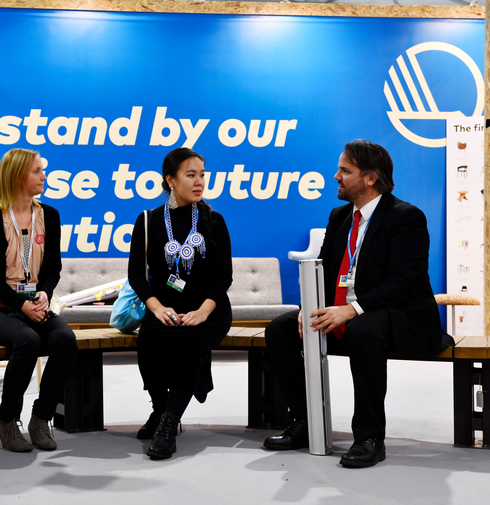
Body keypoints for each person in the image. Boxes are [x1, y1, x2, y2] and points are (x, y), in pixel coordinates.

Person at [262, 139, 454, 468]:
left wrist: (351, 309)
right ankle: (307, 422)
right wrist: (308, 307)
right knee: (281, 329)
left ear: (370, 178)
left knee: (363, 331)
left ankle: (369, 437)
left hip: (395, 314)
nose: (336, 176)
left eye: (345, 170)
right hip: (345, 312)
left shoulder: (406, 217)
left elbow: (403, 283)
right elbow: (325, 270)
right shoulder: (340, 216)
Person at [128, 147, 233, 460]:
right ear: (170, 180)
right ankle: (161, 409)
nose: (199, 182)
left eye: (202, 174)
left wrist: (203, 311)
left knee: (188, 344)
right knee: (148, 340)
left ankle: (168, 424)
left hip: (208, 309)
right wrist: (157, 308)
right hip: (164, 308)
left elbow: (224, 275)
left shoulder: (214, 220)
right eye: (191, 175)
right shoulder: (147, 220)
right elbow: (136, 274)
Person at [0, 148, 77, 453]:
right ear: (18, 176)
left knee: (65, 339)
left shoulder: (50, 216)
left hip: (34, 305)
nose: (44, 176)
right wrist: (21, 305)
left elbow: (53, 268)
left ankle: (41, 418)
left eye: (42, 170)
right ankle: (8, 421)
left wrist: (44, 293)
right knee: (28, 341)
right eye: (37, 171)